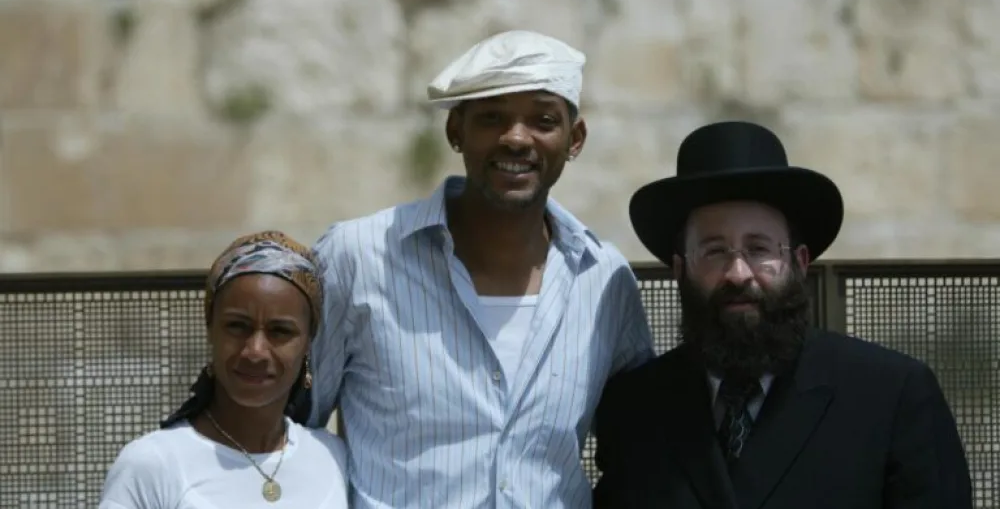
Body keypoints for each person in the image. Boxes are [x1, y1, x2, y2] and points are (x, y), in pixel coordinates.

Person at [307, 29, 655, 508]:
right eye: (492, 118)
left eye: (543, 119)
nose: (515, 138)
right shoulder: (359, 257)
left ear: (574, 140)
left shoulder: (603, 278)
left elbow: (638, 449)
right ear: (456, 131)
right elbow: (286, 429)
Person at [592, 121, 973, 508]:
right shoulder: (634, 410)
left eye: (759, 249)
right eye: (714, 251)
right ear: (679, 270)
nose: (738, 274)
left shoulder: (892, 397)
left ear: (799, 262)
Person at [99, 231, 349, 508]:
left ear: (308, 344)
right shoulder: (153, 464)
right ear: (210, 330)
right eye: (237, 326)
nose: (255, 351)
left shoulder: (332, 457)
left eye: (280, 331)